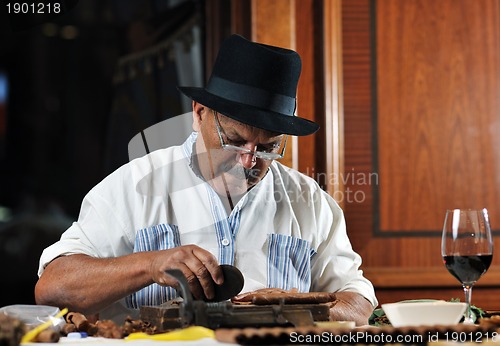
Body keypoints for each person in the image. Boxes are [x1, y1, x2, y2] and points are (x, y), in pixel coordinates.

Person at [35, 34, 377, 326]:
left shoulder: (311, 203)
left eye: (269, 147)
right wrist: (149, 264)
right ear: (199, 113)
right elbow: (53, 290)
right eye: (234, 140)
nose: (249, 160)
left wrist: (304, 308)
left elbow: (359, 302)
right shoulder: (132, 186)